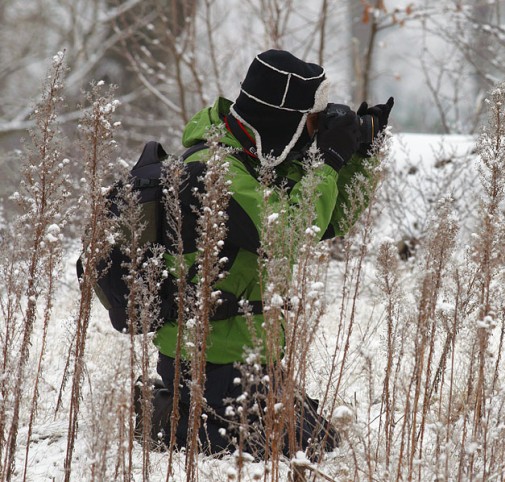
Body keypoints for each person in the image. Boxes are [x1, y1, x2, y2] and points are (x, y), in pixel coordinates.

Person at [140, 49, 394, 458]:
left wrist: (359, 156)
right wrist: (327, 159)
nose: (313, 130)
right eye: (310, 120)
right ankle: (165, 413)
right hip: (212, 362)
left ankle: (178, 410)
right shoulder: (214, 172)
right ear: (283, 118)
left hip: (251, 356)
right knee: (302, 448)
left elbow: (329, 220)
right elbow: (291, 235)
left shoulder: (254, 164)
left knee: (320, 439)